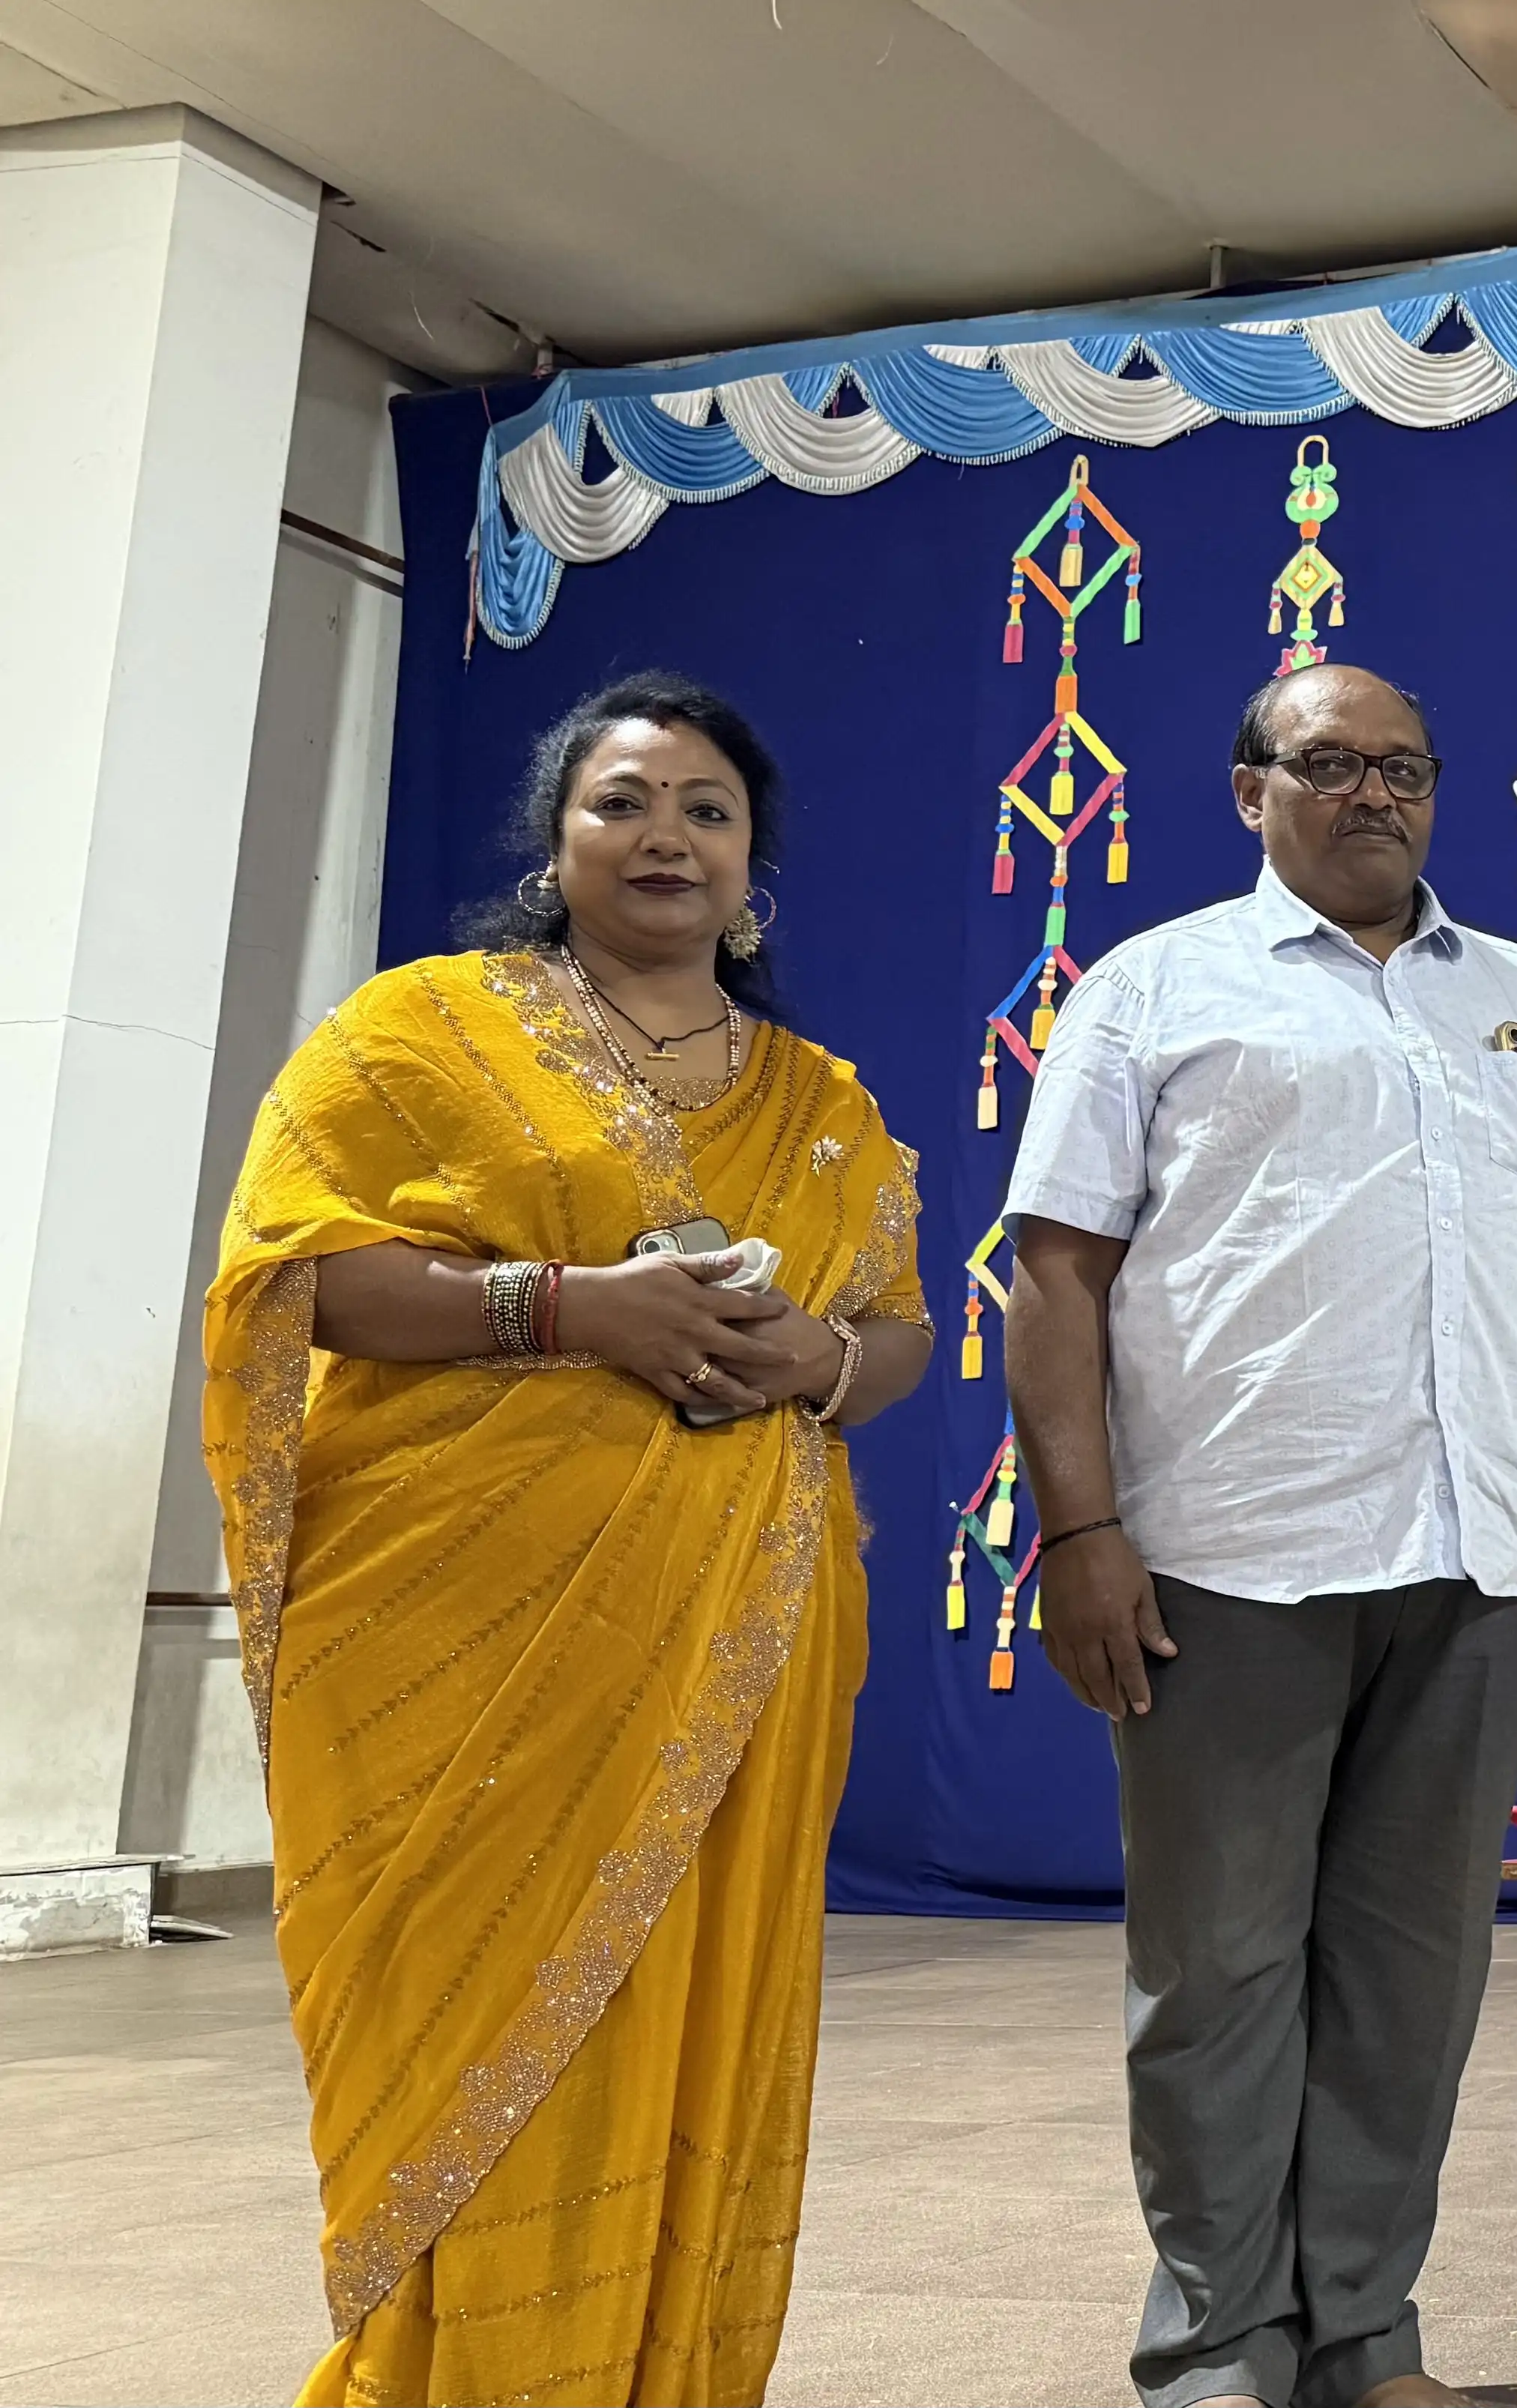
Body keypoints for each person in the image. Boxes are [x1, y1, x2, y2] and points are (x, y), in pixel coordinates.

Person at [202, 671, 934, 2407]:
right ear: (558, 841)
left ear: (753, 863)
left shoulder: (818, 1097)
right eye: (623, 801)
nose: (665, 834)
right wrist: (565, 1308)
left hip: (736, 1635)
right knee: (470, 2019)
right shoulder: (415, 1032)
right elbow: (294, 1278)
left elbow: (895, 1326)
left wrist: (821, 1359)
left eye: (705, 808)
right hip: (461, 1637)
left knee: (697, 2022)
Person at [1003, 660, 1517, 2408]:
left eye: (1407, 769)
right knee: (1216, 1973)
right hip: (1232, 1549)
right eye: (1332, 764)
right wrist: (1081, 1533)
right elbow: (1056, 1271)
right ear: (1248, 787)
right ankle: (1216, 2346)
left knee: (1409, 1980)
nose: (1375, 795)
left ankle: (1363, 2336)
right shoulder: (1152, 990)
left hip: (1474, 1550)